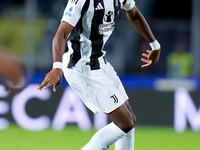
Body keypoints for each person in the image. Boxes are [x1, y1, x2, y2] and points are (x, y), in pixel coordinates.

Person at [37, 0, 161, 149]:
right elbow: (61, 33)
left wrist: (155, 45)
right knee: (125, 123)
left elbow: (133, 14)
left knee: (129, 122)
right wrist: (57, 66)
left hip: (100, 62)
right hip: (81, 67)